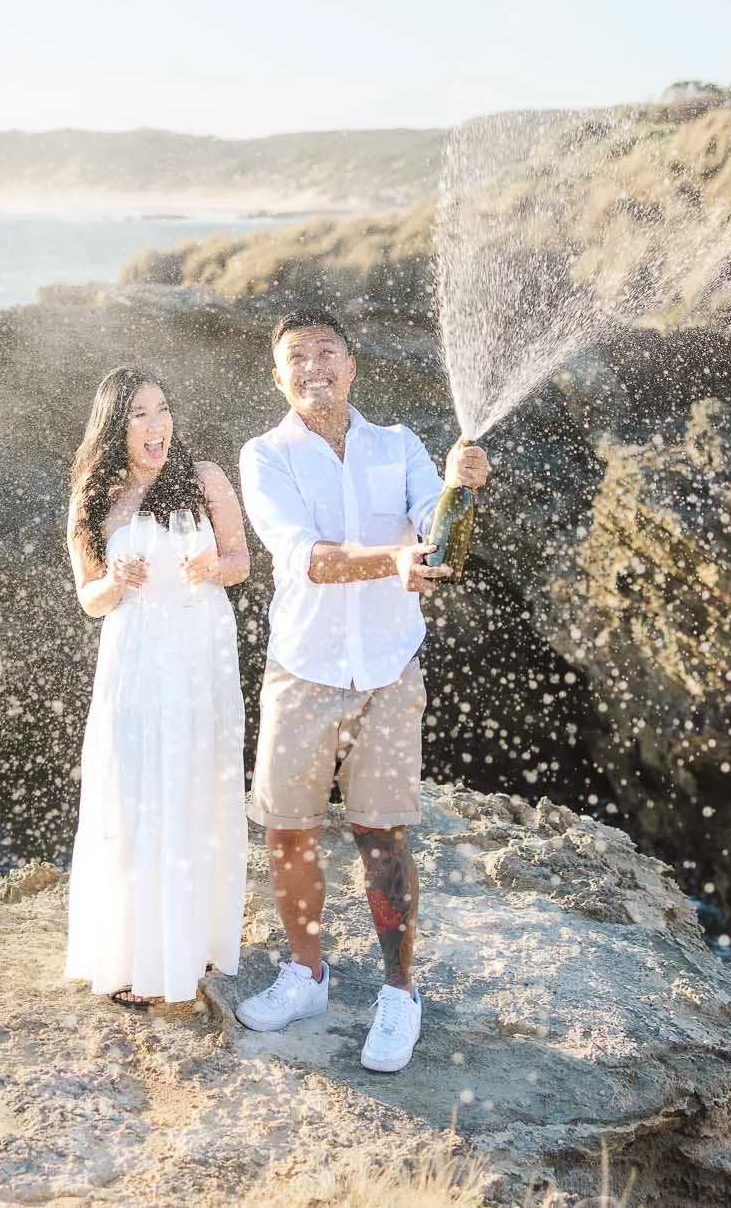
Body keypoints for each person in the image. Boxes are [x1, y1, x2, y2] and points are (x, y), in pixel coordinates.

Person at [231, 309, 489, 1072]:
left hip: (388, 668)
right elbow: (305, 555)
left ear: (352, 365)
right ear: (278, 376)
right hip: (302, 667)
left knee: (383, 836)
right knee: (287, 831)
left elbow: (435, 542)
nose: (313, 366)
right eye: (296, 357)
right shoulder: (264, 455)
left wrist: (459, 491)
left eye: (326, 352)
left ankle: (399, 995)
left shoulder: (400, 445)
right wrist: (397, 560)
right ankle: (307, 973)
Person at [61, 366, 251, 1006]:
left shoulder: (205, 480)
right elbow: (89, 598)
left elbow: (241, 562)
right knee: (137, 789)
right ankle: (134, 949)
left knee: (194, 786)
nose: (156, 425)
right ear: (116, 427)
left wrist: (212, 567)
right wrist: (117, 583)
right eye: (140, 414)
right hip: (136, 658)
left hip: (199, 653)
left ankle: (188, 944)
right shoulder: (93, 493)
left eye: (163, 409)